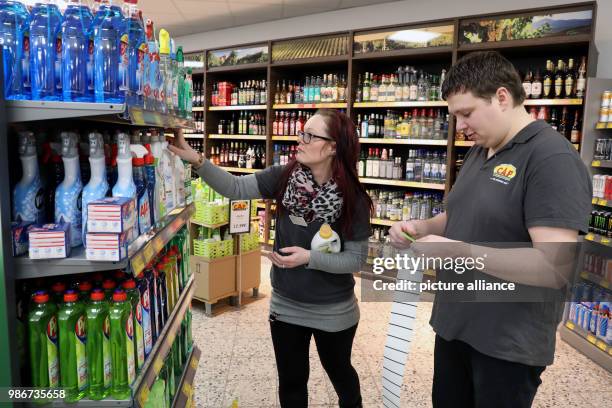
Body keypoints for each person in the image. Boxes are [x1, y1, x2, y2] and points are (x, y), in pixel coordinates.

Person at [389, 51, 591, 408]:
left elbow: (554, 267)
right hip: (456, 325)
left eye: (466, 113)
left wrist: (460, 253)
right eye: (455, 116)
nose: (460, 126)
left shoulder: (551, 158)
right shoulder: (481, 151)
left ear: (501, 97)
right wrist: (421, 227)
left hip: (505, 344)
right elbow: (457, 217)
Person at [169, 109, 372, 408]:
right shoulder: (284, 176)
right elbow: (235, 187)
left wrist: (309, 258)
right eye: (302, 132)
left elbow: (356, 260)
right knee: (291, 382)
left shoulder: (352, 198)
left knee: (340, 374)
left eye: (310, 135)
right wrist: (197, 160)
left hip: (334, 309)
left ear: (332, 147)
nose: (300, 140)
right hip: (287, 304)